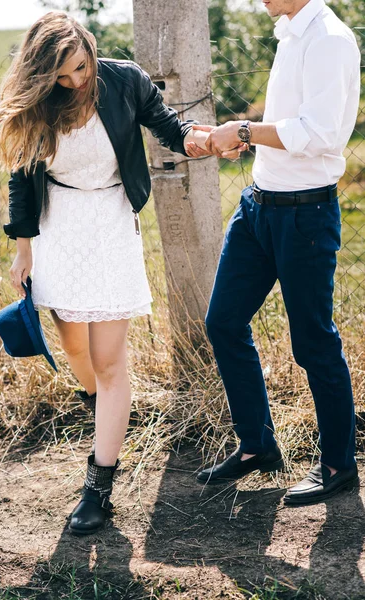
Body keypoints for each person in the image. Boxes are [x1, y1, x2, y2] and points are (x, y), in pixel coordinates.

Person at [0, 11, 212, 535]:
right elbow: (22, 178)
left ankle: (99, 485)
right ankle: (101, 409)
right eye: (62, 76)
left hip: (110, 223)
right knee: (75, 349)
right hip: (57, 226)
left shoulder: (124, 78)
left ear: (89, 48)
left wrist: (198, 140)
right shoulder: (41, 102)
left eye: (80, 68)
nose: (76, 81)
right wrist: (24, 250)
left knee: (110, 362)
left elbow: (169, 125)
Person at [192, 0, 361, 504]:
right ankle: (258, 445)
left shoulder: (329, 39)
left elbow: (323, 133)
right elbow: (289, 124)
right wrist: (248, 139)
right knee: (222, 322)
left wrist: (243, 131)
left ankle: (338, 464)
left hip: (304, 216)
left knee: (312, 341)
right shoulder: (289, 32)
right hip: (258, 208)